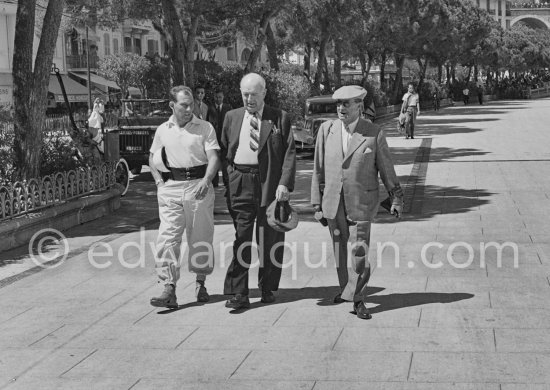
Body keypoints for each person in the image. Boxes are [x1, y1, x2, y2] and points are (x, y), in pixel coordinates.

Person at [311, 85, 404, 320]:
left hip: (362, 202)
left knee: (358, 251)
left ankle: (359, 298)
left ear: (359, 106)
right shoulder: (326, 130)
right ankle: (347, 290)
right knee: (339, 250)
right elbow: (318, 169)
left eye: (347, 103)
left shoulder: (373, 132)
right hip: (333, 202)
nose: (341, 108)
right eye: (338, 104)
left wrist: (396, 197)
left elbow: (386, 167)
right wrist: (316, 204)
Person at [220, 73, 296, 310]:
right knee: (242, 237)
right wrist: (229, 180)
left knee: (270, 239)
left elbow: (289, 153)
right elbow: (224, 151)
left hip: (269, 186)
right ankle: (239, 292)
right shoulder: (231, 117)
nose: (249, 99)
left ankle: (267, 287)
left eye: (254, 94)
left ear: (264, 92)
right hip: (240, 182)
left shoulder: (279, 118)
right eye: (245, 94)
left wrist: (284, 183)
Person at [148, 85, 221, 309]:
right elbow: (152, 158)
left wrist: (206, 181)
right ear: (172, 105)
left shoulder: (204, 127)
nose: (189, 108)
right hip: (171, 187)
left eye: (191, 104)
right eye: (184, 105)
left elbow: (215, 158)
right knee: (167, 237)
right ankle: (168, 287)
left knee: (200, 237)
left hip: (198, 186)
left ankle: (201, 282)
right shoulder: (163, 129)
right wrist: (159, 182)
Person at [207, 90, 232, 187]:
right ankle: (214, 183)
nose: (218, 99)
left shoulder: (228, 108)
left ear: (223, 97)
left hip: (225, 139)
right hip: (213, 139)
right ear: (214, 97)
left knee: (225, 161)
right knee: (214, 159)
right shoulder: (210, 108)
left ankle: (227, 182)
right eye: (217, 97)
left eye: (220, 97)